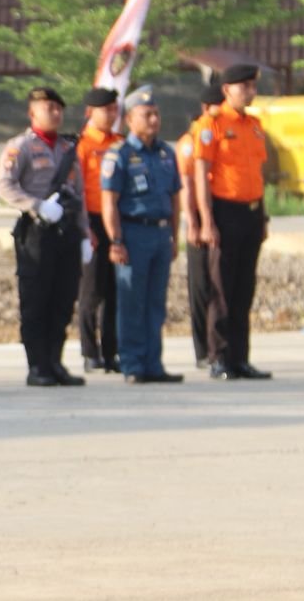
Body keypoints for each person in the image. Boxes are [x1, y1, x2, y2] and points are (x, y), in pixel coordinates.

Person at [0, 86, 92, 386]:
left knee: (63, 299)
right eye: (47, 107)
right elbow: (5, 185)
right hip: (36, 233)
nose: (54, 112)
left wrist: (86, 234)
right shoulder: (21, 146)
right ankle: (37, 366)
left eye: (58, 108)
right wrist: (37, 206)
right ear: (32, 112)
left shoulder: (67, 149)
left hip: (66, 232)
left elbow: (80, 194)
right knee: (36, 300)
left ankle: (55, 362)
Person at [193, 63, 272, 380]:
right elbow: (201, 175)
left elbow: (257, 174)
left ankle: (240, 357)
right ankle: (220, 356)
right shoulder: (210, 125)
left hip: (251, 212)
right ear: (227, 90)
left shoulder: (254, 125)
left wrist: (263, 214)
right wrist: (207, 220)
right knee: (222, 289)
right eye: (245, 87)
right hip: (225, 211)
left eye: (253, 87)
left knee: (244, 288)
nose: (250, 92)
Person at [100, 85, 183, 384]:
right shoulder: (120, 154)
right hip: (133, 233)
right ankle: (133, 364)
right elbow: (109, 201)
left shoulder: (165, 153)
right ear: (129, 119)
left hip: (160, 235)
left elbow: (175, 199)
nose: (153, 120)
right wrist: (116, 240)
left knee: (155, 303)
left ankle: (154, 364)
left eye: (156, 114)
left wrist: (175, 236)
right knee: (132, 302)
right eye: (146, 114)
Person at [76, 86, 125, 373]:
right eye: (105, 110)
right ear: (90, 113)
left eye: (114, 109)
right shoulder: (81, 145)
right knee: (91, 291)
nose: (111, 114)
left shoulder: (120, 143)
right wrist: (84, 227)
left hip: (116, 221)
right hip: (92, 220)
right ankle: (89, 351)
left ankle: (111, 352)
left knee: (113, 291)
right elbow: (78, 190)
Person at [176, 83, 223, 369]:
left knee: (218, 285)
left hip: (218, 217)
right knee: (200, 287)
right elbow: (187, 186)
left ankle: (216, 345)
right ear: (207, 108)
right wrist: (192, 223)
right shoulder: (189, 141)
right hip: (197, 219)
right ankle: (201, 349)